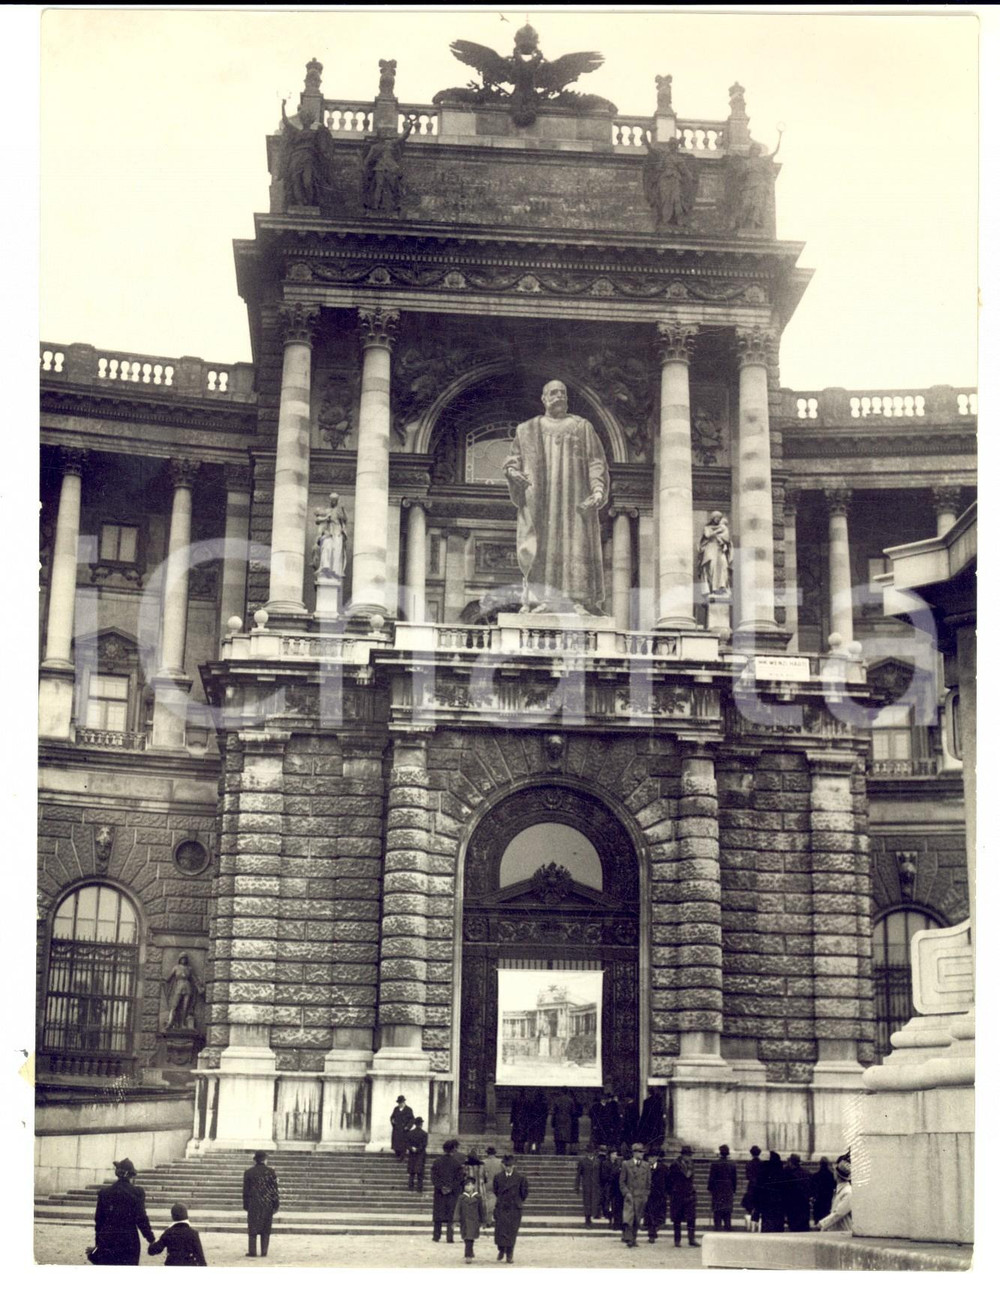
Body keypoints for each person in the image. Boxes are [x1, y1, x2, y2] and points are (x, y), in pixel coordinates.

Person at [504, 379, 609, 614]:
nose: (559, 396)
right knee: (542, 545)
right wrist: (512, 473)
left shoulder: (582, 426)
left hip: (574, 499)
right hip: (541, 499)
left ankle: (578, 601)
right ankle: (544, 600)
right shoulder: (527, 429)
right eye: (553, 393)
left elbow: (596, 462)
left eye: (562, 392)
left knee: (576, 544)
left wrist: (598, 489)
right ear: (543, 398)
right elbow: (513, 460)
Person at [88, 1158, 155, 1266]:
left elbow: (99, 1221)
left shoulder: (104, 1193)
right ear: (131, 1176)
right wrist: (150, 1238)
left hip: (108, 1241)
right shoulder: (137, 1192)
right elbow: (141, 1218)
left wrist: (98, 1244)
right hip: (129, 1241)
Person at [242, 1150, 279, 1258]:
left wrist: (246, 1205)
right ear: (265, 1160)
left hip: (253, 1203)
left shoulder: (249, 1172)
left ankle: (252, 1251)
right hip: (267, 1204)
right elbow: (274, 1190)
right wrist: (276, 1204)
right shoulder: (271, 1172)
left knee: (252, 1228)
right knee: (266, 1228)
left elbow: (245, 1191)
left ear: (255, 1160)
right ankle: (264, 1251)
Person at [493, 1154, 529, 1263]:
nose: (508, 1168)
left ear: (513, 1166)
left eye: (510, 1166)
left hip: (514, 1208)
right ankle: (501, 1249)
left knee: (511, 1232)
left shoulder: (520, 1178)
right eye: (506, 1166)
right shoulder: (498, 1177)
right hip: (502, 1207)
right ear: (503, 1166)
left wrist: (516, 1201)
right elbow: (496, 1191)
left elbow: (524, 1193)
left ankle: (509, 1254)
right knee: (500, 1231)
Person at [147, 1202, 207, 1266]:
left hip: (172, 1263)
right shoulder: (193, 1233)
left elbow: (153, 1250)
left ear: (172, 1216)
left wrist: (152, 1242)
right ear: (186, 1216)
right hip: (189, 1265)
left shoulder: (168, 1232)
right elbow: (200, 1256)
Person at [431, 1138, 465, 1243]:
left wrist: (441, 1187)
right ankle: (449, 1237)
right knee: (451, 1215)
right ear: (453, 1149)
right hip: (452, 1193)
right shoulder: (456, 1163)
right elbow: (459, 1179)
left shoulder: (437, 1162)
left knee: (438, 1214)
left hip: (439, 1192)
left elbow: (433, 1177)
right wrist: (450, 1187)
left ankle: (436, 1236)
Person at [619, 1142, 651, 1248]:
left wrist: (646, 1195)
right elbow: (622, 1182)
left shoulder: (646, 1166)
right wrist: (626, 1193)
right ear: (634, 1153)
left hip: (641, 1197)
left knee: (637, 1219)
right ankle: (629, 1239)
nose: (642, 1154)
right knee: (628, 1219)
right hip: (630, 1196)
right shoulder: (626, 1164)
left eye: (643, 1152)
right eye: (640, 1152)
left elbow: (648, 1183)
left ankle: (634, 1238)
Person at [667, 1144, 699, 1248]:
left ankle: (691, 1239)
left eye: (690, 1155)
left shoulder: (691, 1164)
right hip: (677, 1195)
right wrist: (672, 1192)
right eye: (687, 1155)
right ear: (683, 1155)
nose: (689, 1157)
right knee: (677, 1219)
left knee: (691, 1218)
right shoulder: (675, 1164)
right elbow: (670, 1180)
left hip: (689, 1195)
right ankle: (677, 1240)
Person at [312, 492, 349, 579]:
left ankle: (336, 571)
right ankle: (325, 568)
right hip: (329, 533)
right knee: (327, 548)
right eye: (332, 500)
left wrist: (343, 510)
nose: (333, 502)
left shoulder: (339, 510)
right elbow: (317, 519)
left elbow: (345, 520)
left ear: (337, 501)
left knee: (337, 552)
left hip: (338, 532)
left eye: (335, 500)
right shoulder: (328, 511)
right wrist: (326, 518)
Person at [698, 512, 732, 596]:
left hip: (719, 549)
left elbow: (727, 539)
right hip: (710, 548)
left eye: (719, 518)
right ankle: (712, 588)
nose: (718, 519)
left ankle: (721, 587)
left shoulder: (723, 528)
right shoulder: (707, 527)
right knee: (711, 566)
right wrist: (718, 531)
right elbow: (707, 535)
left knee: (723, 566)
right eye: (716, 517)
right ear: (712, 518)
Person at [816, 1160, 853, 1232]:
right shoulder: (840, 1190)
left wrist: (822, 1223)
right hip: (837, 1230)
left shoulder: (848, 1192)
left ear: (837, 1175)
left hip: (844, 1231)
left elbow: (839, 1213)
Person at [707, 1144, 737, 1231]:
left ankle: (717, 1227)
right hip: (728, 1188)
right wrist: (733, 1189)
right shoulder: (732, 1164)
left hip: (717, 1188)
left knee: (717, 1209)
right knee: (727, 1210)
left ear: (720, 1152)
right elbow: (734, 1179)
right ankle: (727, 1227)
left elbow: (711, 1177)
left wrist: (710, 1188)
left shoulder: (715, 1164)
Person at [457, 1175, 487, 1261]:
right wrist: (456, 1220)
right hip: (464, 1221)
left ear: (473, 1186)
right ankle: (469, 1253)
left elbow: (481, 1210)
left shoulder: (478, 1197)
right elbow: (457, 1209)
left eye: (469, 1185)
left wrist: (483, 1221)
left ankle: (468, 1255)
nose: (467, 1187)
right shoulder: (461, 1198)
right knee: (467, 1238)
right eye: (466, 1185)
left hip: (474, 1221)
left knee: (470, 1237)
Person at [757, 1151, 786, 1233]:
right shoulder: (781, 1172)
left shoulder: (765, 1172)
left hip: (767, 1202)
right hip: (778, 1203)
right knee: (778, 1225)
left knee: (767, 1224)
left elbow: (759, 1188)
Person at [575, 1143, 602, 1227]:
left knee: (594, 1201)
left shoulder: (597, 1161)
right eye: (589, 1152)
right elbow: (578, 1174)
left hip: (595, 1185)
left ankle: (594, 1216)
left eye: (592, 1152)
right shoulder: (582, 1162)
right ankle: (587, 1220)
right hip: (586, 1185)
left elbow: (601, 1174)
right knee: (587, 1202)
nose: (590, 1153)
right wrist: (577, 1186)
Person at [784, 1153, 812, 1232]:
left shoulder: (789, 1174)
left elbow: (787, 1192)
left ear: (791, 1162)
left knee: (794, 1229)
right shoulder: (806, 1173)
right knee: (804, 1229)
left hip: (793, 1207)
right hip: (804, 1206)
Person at [645, 1149, 669, 1243]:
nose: (650, 1159)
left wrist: (665, 1192)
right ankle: (651, 1234)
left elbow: (668, 1181)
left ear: (656, 1158)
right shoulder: (645, 1167)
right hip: (649, 1195)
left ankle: (655, 1230)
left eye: (652, 1157)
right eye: (649, 1157)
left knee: (658, 1215)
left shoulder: (664, 1168)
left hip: (660, 1195)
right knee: (650, 1215)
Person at [637, 1087, 665, 1152]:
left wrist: (641, 1125)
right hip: (657, 1125)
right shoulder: (659, 1102)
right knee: (655, 1141)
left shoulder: (646, 1102)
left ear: (649, 1092)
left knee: (648, 1141)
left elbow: (644, 1115)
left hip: (648, 1125)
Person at [810, 1156, 837, 1226]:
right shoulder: (831, 1176)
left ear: (820, 1164)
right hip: (828, 1201)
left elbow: (813, 1189)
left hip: (818, 1202)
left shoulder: (816, 1176)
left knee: (818, 1221)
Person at [742, 1144, 763, 1230]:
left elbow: (747, 1176)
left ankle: (751, 1225)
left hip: (751, 1187)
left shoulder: (749, 1164)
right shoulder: (762, 1164)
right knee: (759, 1206)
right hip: (760, 1187)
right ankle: (757, 1224)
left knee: (750, 1205)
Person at [481, 1145, 503, 1229]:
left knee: (487, 1202)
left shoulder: (483, 1162)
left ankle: (488, 1220)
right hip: (498, 1184)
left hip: (487, 1184)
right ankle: (493, 1219)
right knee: (495, 1202)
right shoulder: (500, 1162)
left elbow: (481, 1174)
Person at [551, 1087, 576, 1156]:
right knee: (565, 1137)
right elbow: (573, 1111)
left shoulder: (557, 1100)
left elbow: (554, 1111)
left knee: (558, 1137)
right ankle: (563, 1151)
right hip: (567, 1120)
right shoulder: (570, 1100)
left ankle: (558, 1151)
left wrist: (552, 1122)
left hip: (558, 1119)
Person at [406, 1116, 428, 1192]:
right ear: (421, 1124)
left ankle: (410, 1187)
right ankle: (419, 1188)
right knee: (420, 1172)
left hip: (412, 1154)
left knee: (412, 1172)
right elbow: (424, 1145)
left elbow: (407, 1144)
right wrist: (418, 1149)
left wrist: (412, 1149)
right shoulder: (424, 1134)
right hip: (420, 1155)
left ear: (415, 1124)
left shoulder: (410, 1133)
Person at [605, 1148, 625, 1230]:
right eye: (613, 1154)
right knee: (609, 1205)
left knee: (616, 1206)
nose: (614, 1156)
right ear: (609, 1155)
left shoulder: (618, 1164)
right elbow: (604, 1175)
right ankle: (610, 1221)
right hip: (608, 1186)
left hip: (616, 1187)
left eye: (616, 1154)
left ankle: (617, 1223)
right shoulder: (605, 1163)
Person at [390, 1094, 415, 1159]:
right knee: (396, 1144)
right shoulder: (396, 1109)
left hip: (404, 1130)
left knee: (403, 1145)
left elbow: (412, 1119)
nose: (400, 1104)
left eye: (401, 1102)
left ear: (404, 1102)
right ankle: (397, 1155)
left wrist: (408, 1127)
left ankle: (402, 1156)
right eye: (399, 1103)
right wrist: (392, 1121)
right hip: (397, 1129)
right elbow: (392, 1117)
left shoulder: (408, 1110)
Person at [528, 1089, 548, 1153]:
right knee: (538, 1138)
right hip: (540, 1123)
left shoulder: (532, 1103)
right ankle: (537, 1149)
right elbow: (546, 1114)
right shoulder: (544, 1105)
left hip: (533, 1122)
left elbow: (529, 1113)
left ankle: (532, 1149)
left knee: (533, 1137)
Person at [509, 1090, 528, 1154]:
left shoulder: (515, 1101)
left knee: (516, 1135)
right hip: (524, 1121)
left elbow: (513, 1111)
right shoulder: (527, 1101)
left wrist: (511, 1121)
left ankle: (516, 1148)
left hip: (516, 1120)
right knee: (522, 1136)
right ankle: (521, 1148)